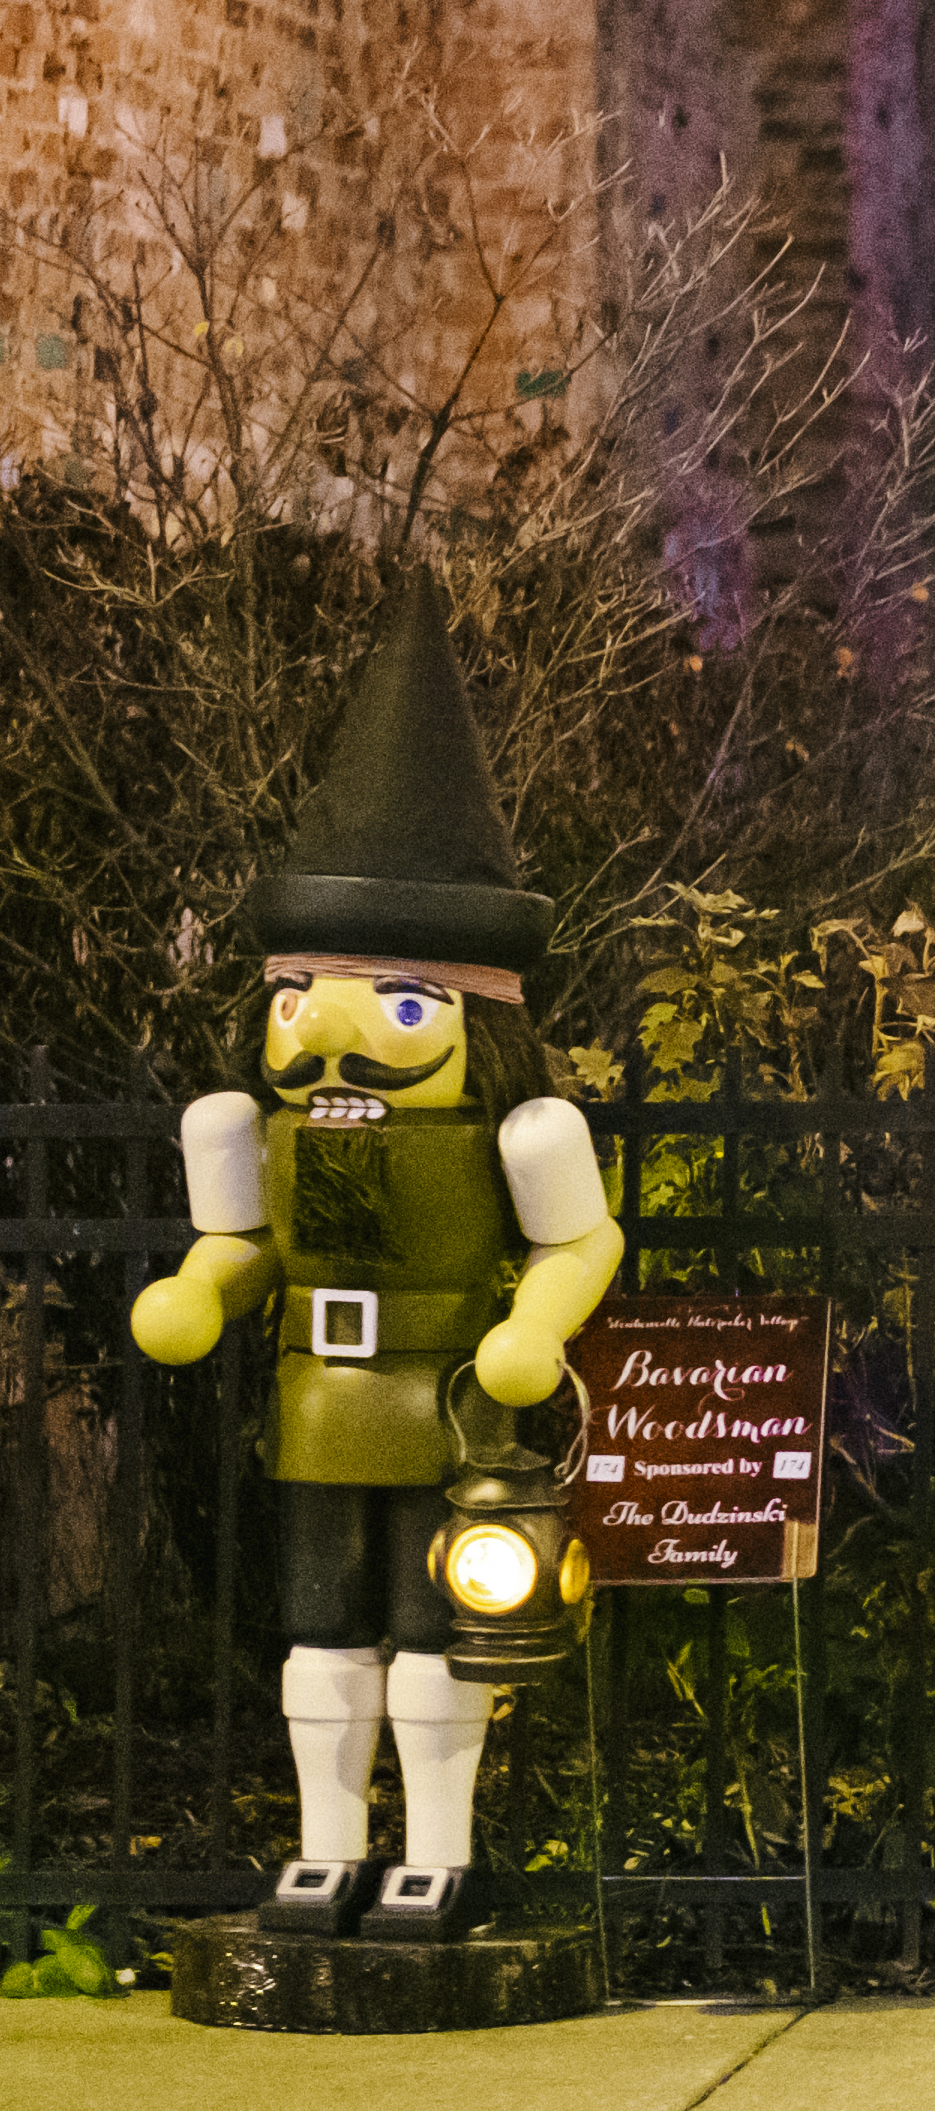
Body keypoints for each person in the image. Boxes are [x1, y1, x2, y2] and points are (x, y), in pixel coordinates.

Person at [127, 577, 619, 1942]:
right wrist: (197, 1291)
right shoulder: (244, 1122)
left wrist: (537, 1326)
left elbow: (583, 1238)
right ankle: (326, 1847)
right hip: (315, 1419)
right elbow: (237, 1244)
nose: (333, 1035)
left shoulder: (522, 1127)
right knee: (318, 1637)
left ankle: (437, 1852)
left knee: (437, 1633)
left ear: (476, 1013)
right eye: (300, 996)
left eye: (401, 1003)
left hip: (443, 1420)